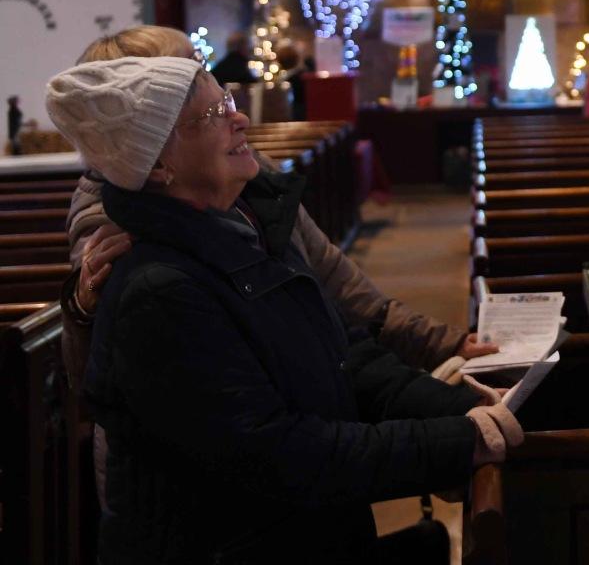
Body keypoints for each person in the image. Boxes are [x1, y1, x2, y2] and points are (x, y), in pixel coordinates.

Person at [46, 56, 526, 562]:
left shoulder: (246, 231)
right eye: (212, 115)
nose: (240, 119)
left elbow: (347, 359)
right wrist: (454, 442)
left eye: (228, 101)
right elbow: (280, 454)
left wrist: (460, 410)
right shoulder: (159, 292)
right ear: (158, 164)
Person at [64, 26, 497, 398]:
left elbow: (336, 287)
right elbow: (106, 377)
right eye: (190, 84)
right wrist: (80, 308)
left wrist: (444, 344)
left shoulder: (254, 178)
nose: (237, 117)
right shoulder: (115, 223)